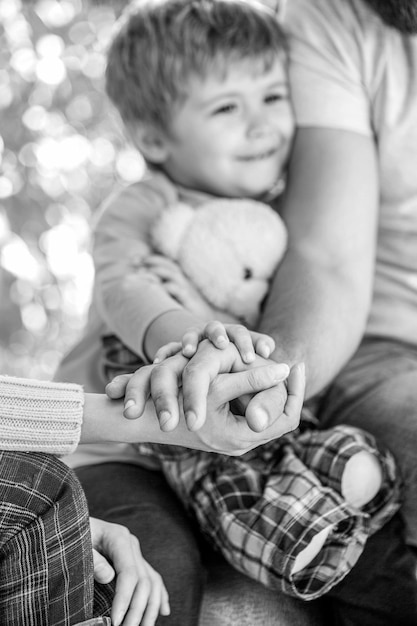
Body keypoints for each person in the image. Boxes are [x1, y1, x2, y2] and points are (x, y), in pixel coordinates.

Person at [54, 1, 416, 624]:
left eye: (275, 97)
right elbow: (126, 289)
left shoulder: (287, 213)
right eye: (228, 107)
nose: (264, 126)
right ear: (153, 136)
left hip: (233, 457)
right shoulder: (143, 205)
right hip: (127, 452)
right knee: (158, 568)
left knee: (365, 557)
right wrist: (199, 345)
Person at [0, 352, 293, 626]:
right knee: (153, 570)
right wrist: (166, 415)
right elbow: (127, 300)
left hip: (238, 462)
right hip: (115, 462)